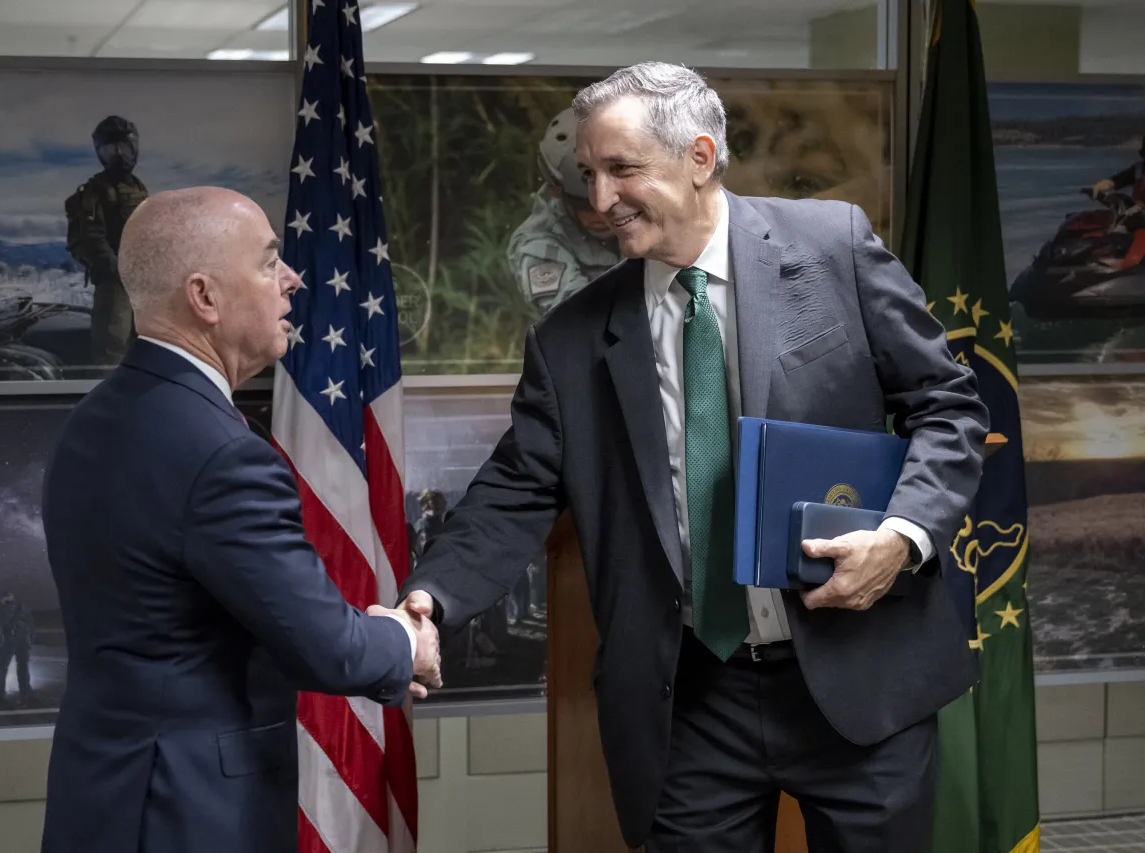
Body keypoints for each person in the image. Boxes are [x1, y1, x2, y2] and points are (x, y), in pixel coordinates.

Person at [398, 63, 989, 852]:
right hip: (688, 701)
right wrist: (431, 597)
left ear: (701, 158)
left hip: (858, 675)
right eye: (589, 175)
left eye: (623, 170)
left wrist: (903, 536)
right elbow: (516, 487)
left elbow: (947, 407)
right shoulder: (572, 339)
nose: (600, 202)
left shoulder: (833, 248)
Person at [40, 186, 442, 853]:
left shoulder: (92, 422)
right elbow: (328, 647)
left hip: (104, 799)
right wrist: (405, 640)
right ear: (204, 297)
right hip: (190, 813)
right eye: (268, 262)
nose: (293, 279)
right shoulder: (223, 453)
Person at [506, 107, 621, 315]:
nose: (600, 212)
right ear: (557, 192)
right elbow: (580, 318)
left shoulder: (649, 212)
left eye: (611, 202)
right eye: (585, 205)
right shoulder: (539, 245)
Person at [64, 115, 148, 366]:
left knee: (144, 347)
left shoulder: (138, 187)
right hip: (115, 285)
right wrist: (116, 269)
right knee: (111, 353)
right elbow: (92, 238)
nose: (120, 156)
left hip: (143, 282)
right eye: (112, 150)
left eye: (124, 148)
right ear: (101, 154)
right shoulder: (96, 191)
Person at [0, 592, 33, 706]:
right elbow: (32, 626)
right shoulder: (23, 609)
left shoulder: (2, 610)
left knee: (2, 668)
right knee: (23, 668)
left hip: (8, 642)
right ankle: (25, 693)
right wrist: (30, 640)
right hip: (24, 642)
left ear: (3, 600)